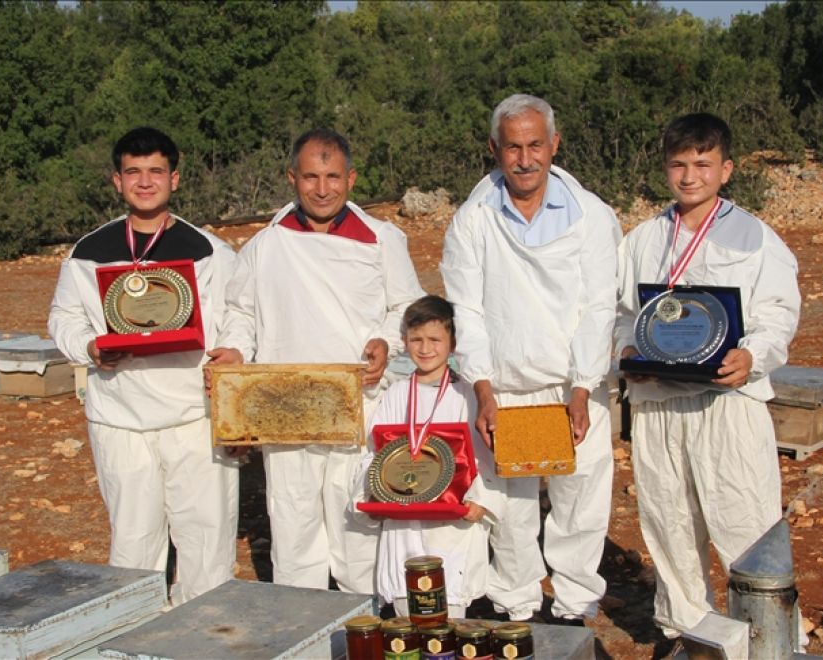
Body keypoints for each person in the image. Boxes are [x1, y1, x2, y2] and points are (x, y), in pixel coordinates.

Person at [208, 128, 425, 594]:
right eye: (310, 177)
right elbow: (242, 310)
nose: (322, 189)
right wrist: (236, 351)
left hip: (358, 405)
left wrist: (386, 343)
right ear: (292, 177)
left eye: (332, 176)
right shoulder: (267, 244)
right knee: (294, 528)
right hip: (285, 407)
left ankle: (363, 626)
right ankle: (301, 635)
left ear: (351, 178)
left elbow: (407, 310)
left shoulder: (382, 240)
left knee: (357, 531)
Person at [614, 112, 801, 638]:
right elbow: (617, 310)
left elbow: (778, 314)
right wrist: (624, 343)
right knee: (668, 524)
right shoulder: (643, 239)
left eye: (703, 163)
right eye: (678, 164)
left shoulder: (754, 238)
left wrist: (753, 357)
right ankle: (687, 634)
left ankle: (772, 640)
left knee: (745, 523)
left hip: (726, 403)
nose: (689, 176)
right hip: (658, 403)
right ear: (665, 169)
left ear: (727, 169)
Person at [440, 94, 621, 623]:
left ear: (554, 145)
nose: (525, 159)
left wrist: (585, 386)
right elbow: (466, 309)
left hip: (572, 387)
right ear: (494, 149)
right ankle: (516, 607)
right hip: (505, 389)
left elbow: (598, 307)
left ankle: (572, 606)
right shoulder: (472, 220)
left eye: (535, 145)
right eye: (513, 147)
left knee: (579, 501)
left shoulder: (592, 217)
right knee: (510, 507)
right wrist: (482, 389)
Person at [48, 127, 239, 605]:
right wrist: (90, 347)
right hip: (120, 417)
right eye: (134, 172)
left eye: (156, 171)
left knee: (206, 540)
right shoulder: (88, 252)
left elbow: (241, 312)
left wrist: (234, 348)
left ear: (175, 178)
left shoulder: (210, 250)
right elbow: (63, 317)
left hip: (195, 416)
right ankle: (133, 637)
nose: (145, 181)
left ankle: (204, 639)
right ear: (117, 181)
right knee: (134, 542)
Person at [355, 295, 505, 618]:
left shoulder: (467, 394)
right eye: (416, 339)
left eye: (435, 340)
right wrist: (374, 494)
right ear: (404, 341)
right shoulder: (396, 394)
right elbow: (374, 453)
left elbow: (487, 458)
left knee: (447, 620)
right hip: (404, 522)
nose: (425, 348)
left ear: (453, 344)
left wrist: (482, 500)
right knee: (405, 614)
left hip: (452, 524)